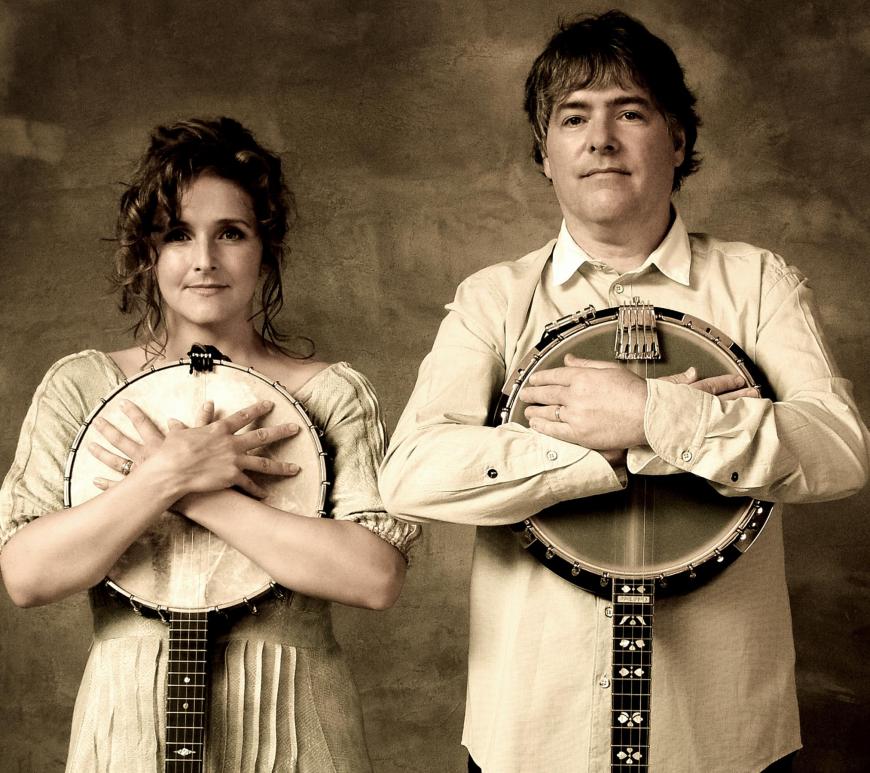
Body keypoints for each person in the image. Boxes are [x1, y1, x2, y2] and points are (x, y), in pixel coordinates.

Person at [379, 10, 868, 773]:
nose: (600, 139)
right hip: (530, 735)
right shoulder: (492, 298)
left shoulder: (758, 282)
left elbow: (839, 452)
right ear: (545, 153)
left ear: (677, 139)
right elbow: (411, 472)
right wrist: (593, 448)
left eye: (629, 112)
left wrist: (654, 412)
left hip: (720, 736)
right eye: (573, 118)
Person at [0, 116, 419, 772]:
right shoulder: (82, 386)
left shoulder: (332, 392)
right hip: (128, 715)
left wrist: (204, 492)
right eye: (177, 235)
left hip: (296, 718)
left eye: (231, 233)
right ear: (149, 251)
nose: (204, 261)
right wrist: (160, 477)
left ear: (265, 247)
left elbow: (375, 577)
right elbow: (26, 574)